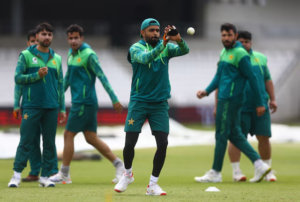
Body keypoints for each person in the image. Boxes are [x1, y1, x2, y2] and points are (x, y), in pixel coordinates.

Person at [114, 18, 189, 195]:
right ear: (142, 33)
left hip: (160, 104)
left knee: (163, 143)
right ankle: (127, 174)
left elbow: (185, 50)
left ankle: (153, 184)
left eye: (157, 30)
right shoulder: (135, 49)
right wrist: (164, 43)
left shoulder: (167, 47)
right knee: (130, 143)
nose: (155, 33)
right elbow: (147, 57)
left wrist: (178, 39)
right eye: (151, 30)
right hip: (139, 102)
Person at [194, 23, 271, 183]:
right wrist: (206, 91)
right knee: (234, 135)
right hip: (226, 99)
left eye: (229, 35)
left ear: (235, 36)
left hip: (230, 100)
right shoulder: (224, 52)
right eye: (224, 35)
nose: (226, 38)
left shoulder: (240, 53)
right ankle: (259, 164)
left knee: (221, 135)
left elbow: (253, 78)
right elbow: (219, 76)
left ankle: (215, 172)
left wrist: (259, 102)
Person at [49, 24, 124, 184]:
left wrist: (114, 98)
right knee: (91, 138)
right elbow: (68, 77)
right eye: (70, 38)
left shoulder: (89, 55)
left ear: (82, 38)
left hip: (83, 102)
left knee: (68, 134)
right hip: (84, 102)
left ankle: (64, 174)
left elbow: (102, 76)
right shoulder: (70, 54)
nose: (73, 41)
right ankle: (120, 165)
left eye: (76, 38)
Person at [9, 22, 66, 188]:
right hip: (31, 106)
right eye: (43, 34)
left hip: (51, 106)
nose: (46, 37)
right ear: (38, 36)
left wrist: (61, 107)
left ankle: (45, 177)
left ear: (52, 37)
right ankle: (16, 175)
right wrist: (36, 75)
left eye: (49, 34)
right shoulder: (26, 55)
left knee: (49, 143)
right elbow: (18, 78)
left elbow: (60, 85)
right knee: (26, 140)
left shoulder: (57, 59)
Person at [224, 31, 277, 182]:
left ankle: (267, 171)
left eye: (247, 41)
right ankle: (236, 172)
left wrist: (273, 99)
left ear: (251, 43)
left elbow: (267, 79)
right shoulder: (230, 58)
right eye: (241, 41)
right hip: (239, 106)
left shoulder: (260, 58)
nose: (244, 44)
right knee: (236, 138)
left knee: (264, 137)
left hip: (260, 105)